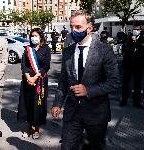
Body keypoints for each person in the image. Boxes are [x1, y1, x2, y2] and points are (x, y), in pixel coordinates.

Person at [51, 10, 119, 150]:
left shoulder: (104, 50)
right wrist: (57, 103)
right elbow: (63, 80)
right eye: (72, 27)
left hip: (96, 114)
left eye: (78, 27)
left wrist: (88, 90)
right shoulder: (67, 51)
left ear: (90, 28)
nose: (73, 31)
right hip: (72, 112)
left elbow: (114, 81)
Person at [17, 27, 51, 139]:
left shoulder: (46, 49)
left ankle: (36, 128)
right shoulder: (28, 49)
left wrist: (35, 77)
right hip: (27, 81)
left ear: (41, 37)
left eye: (36, 35)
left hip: (40, 81)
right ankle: (28, 127)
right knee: (27, 104)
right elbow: (24, 65)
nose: (34, 38)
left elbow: (46, 66)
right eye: (32, 36)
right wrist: (28, 77)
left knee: (38, 105)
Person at [120, 23, 144, 108]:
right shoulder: (128, 38)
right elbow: (124, 48)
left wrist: (136, 43)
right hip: (128, 64)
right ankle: (124, 100)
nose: (136, 31)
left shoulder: (143, 39)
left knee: (137, 84)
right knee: (126, 83)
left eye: (138, 29)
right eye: (134, 29)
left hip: (138, 65)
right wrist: (131, 43)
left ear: (140, 30)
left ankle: (136, 101)